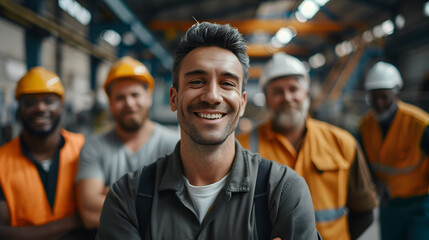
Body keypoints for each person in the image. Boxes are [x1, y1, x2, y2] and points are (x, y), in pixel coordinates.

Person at [97, 22, 320, 240]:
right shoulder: (128, 197)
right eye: (197, 81)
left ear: (242, 103)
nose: (212, 96)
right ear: (174, 98)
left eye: (227, 83)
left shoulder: (283, 192)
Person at [237, 52, 378, 240]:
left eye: (293, 89)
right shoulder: (241, 148)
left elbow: (365, 211)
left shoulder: (342, 143)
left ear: (307, 94)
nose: (287, 97)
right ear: (266, 98)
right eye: (278, 91)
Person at [75, 56, 179, 229]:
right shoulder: (94, 147)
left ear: (148, 97)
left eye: (135, 95)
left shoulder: (174, 145)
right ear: (110, 103)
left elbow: (178, 212)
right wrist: (152, 199)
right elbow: (89, 213)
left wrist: (116, 197)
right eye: (120, 97)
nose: (129, 103)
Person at [0, 67, 91, 239]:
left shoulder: (85, 148)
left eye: (49, 101)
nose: (40, 108)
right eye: (30, 103)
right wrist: (74, 220)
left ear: (61, 106)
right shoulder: (1, 161)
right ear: (19, 109)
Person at [359, 61, 429, 240]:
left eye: (384, 96)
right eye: (373, 98)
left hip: (419, 204)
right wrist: (374, 182)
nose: (379, 103)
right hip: (389, 204)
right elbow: (363, 164)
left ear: (396, 92)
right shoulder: (365, 126)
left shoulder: (420, 124)